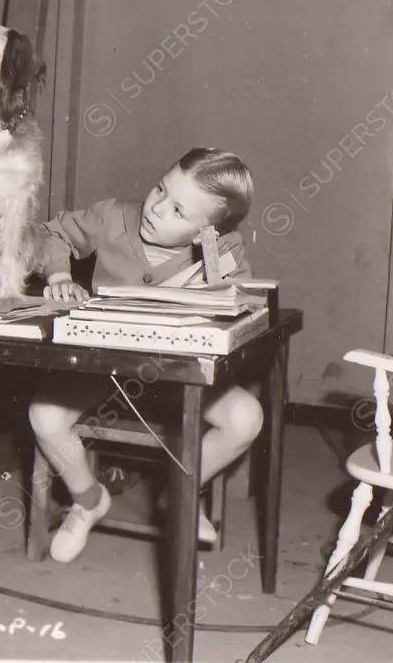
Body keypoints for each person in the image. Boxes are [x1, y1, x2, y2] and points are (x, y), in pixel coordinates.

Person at [28, 147, 263, 564]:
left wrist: (217, 287)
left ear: (203, 234)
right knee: (44, 414)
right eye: (160, 189)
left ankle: (181, 495)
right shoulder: (114, 215)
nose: (155, 208)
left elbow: (241, 309)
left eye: (177, 210)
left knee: (246, 417)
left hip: (179, 376)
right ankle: (87, 500)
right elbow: (50, 231)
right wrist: (60, 276)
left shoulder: (222, 250)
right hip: (104, 368)